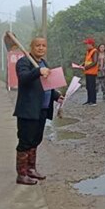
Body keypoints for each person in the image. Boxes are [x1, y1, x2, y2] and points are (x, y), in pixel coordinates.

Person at [13, 37, 64, 185]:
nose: (41, 48)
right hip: (28, 110)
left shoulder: (43, 63)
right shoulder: (24, 62)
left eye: (43, 46)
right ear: (31, 47)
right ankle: (21, 174)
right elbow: (23, 78)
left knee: (36, 140)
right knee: (25, 142)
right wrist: (38, 71)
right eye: (37, 45)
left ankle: (31, 169)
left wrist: (57, 96)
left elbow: (47, 85)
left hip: (41, 109)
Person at [82, 38, 99, 106]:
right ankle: (89, 100)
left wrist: (86, 67)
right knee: (88, 87)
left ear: (91, 44)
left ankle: (93, 101)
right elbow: (88, 61)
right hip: (87, 72)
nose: (86, 45)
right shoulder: (88, 52)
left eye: (87, 44)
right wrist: (82, 64)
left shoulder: (95, 51)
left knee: (92, 87)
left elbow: (94, 62)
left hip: (92, 72)